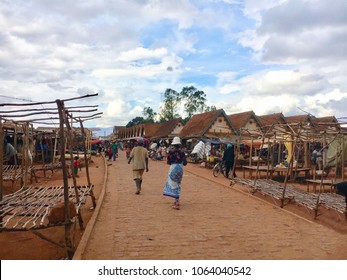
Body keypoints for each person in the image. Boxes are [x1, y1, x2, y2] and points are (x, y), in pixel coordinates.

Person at [163, 136, 187, 210]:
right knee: (178, 183)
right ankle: (177, 200)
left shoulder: (171, 152)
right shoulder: (182, 153)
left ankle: (176, 202)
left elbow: (168, 162)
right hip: (180, 168)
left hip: (173, 168)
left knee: (173, 184)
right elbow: (185, 162)